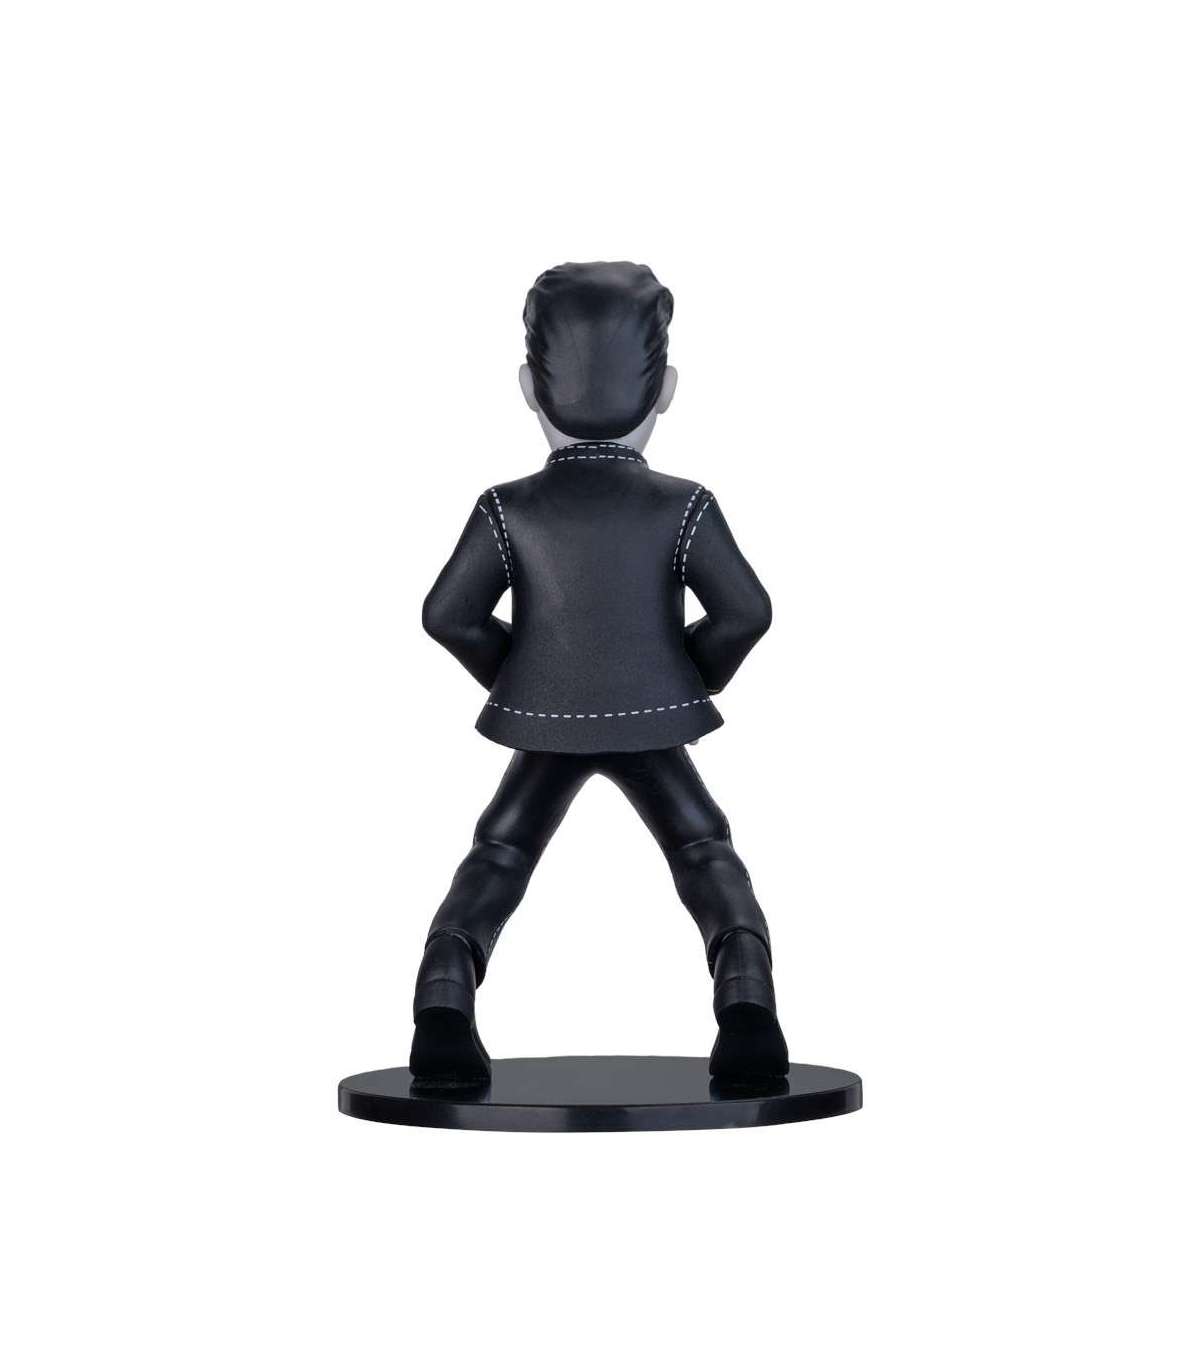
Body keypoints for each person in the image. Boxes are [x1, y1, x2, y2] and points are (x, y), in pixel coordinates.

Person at [411, 261, 787, 1084]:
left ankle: (442, 1002)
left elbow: (448, 616)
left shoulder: (509, 509)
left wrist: (523, 680)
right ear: (668, 390)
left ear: (527, 388)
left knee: (499, 853)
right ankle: (748, 1007)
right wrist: (685, 679)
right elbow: (747, 613)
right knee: (704, 849)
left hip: (544, 719)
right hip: (655, 714)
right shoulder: (682, 506)